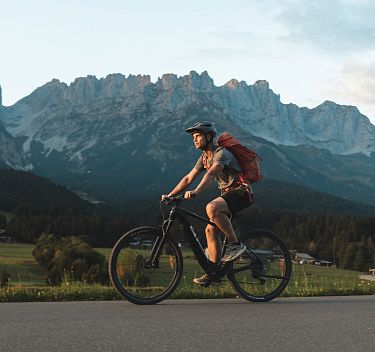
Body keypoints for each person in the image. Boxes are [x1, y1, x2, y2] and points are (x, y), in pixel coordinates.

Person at [161, 121, 253, 286]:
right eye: (193, 137)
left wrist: (196, 191)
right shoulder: (204, 158)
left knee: (212, 208)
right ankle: (214, 272)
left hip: (242, 192)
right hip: (228, 195)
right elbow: (188, 178)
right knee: (210, 229)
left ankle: (235, 245)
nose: (194, 140)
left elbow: (211, 173)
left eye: (197, 136)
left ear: (208, 136)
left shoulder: (221, 153)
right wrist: (170, 194)